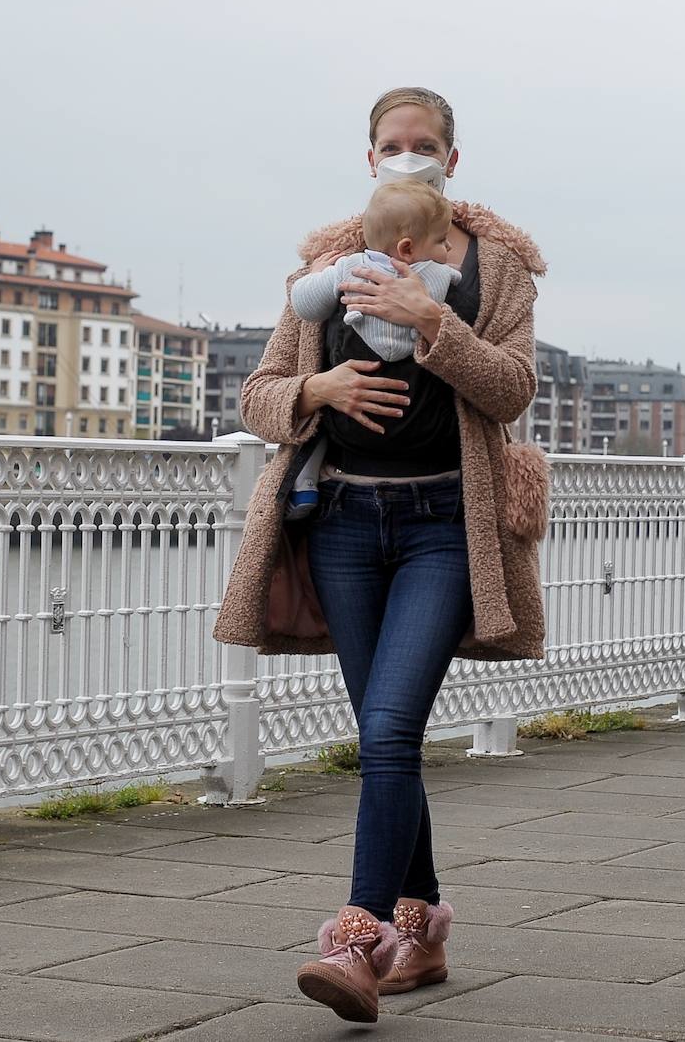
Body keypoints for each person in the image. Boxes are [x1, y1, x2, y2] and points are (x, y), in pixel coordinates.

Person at [211, 86, 549, 1026]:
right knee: (385, 738)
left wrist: (433, 325)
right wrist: (319, 386)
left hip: (449, 523)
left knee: (391, 727)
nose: (410, 156)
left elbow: (514, 388)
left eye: (426, 144)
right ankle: (425, 932)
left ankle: (356, 942)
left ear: (453, 155)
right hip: (346, 528)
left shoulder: (501, 267)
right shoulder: (331, 261)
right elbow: (261, 394)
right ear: (369, 158)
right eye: (394, 145)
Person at [290, 180, 462, 362]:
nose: (449, 246)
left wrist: (315, 275)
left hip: (353, 373)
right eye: (442, 240)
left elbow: (304, 306)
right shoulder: (441, 274)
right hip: (419, 383)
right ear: (407, 249)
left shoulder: (348, 267)